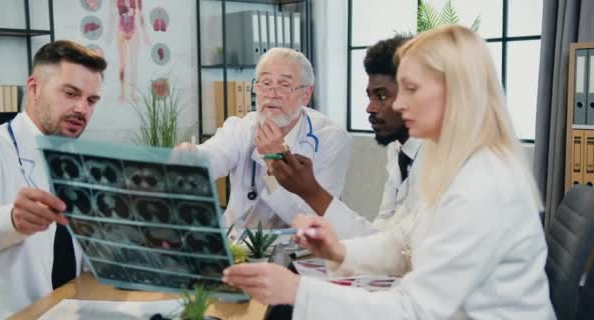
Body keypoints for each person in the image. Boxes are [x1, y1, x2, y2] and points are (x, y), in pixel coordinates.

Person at [222, 25, 556, 319]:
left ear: (455, 91)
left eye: (411, 90)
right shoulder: (453, 161)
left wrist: (299, 291)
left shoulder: (482, 186)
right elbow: (404, 240)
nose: (398, 104)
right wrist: (339, 250)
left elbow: (416, 310)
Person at [0, 40, 107, 317]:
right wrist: (13, 221)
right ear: (34, 88)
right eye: (70, 93)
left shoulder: (83, 165)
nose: (82, 109)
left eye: (91, 100)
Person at [177, 47, 352, 229]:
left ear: (306, 94)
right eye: (266, 83)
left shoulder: (331, 139)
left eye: (284, 85)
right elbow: (212, 155)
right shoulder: (243, 127)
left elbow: (313, 220)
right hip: (235, 243)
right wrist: (191, 156)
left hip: (296, 249)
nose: (272, 93)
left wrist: (274, 164)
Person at [270, 36, 422, 238]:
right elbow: (382, 231)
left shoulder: (437, 160)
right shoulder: (398, 149)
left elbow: (399, 248)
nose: (370, 108)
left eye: (382, 96)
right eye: (264, 83)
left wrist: (311, 191)